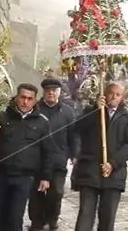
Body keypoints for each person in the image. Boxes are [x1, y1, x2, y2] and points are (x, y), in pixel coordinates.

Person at [0, 83, 53, 231]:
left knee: (15, 216)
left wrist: (45, 177)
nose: (25, 102)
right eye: (23, 97)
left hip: (24, 177)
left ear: (35, 100)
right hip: (0, 174)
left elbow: (48, 152)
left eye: (30, 99)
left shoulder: (42, 122)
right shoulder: (0, 117)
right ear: (16, 97)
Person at [72, 81, 128, 231]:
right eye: (111, 93)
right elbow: (78, 129)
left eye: (118, 94)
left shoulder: (126, 116)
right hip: (90, 170)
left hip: (114, 173)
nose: (114, 97)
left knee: (108, 217)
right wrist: (96, 109)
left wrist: (113, 163)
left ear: (122, 97)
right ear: (104, 93)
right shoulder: (91, 111)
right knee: (85, 214)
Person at [28, 79, 78, 231]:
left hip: (58, 158)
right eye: (48, 90)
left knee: (56, 192)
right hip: (36, 158)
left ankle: (52, 218)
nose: (51, 92)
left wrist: (74, 153)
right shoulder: (35, 108)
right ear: (43, 91)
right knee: (35, 193)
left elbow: (74, 134)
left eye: (54, 90)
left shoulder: (67, 111)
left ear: (59, 92)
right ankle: (36, 221)